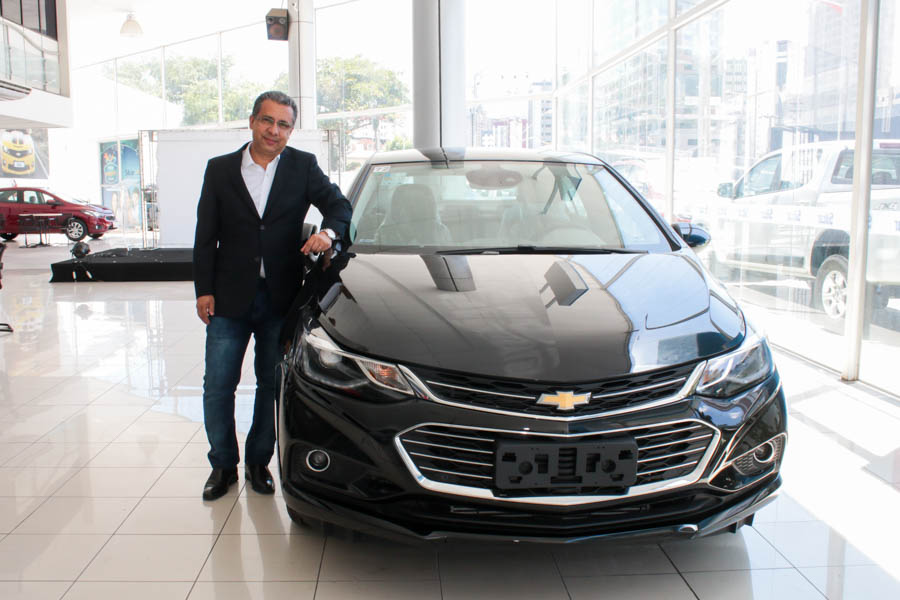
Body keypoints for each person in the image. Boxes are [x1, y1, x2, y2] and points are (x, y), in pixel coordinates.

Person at [192, 90, 352, 501]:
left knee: (270, 384)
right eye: (267, 121)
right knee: (218, 386)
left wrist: (327, 233)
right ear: (252, 121)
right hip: (227, 298)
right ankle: (222, 465)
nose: (274, 131)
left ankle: (258, 463)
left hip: (280, 298)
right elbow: (205, 235)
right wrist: (203, 290)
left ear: (291, 130)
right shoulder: (220, 169)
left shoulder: (302, 166)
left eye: (283, 124)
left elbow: (340, 207)